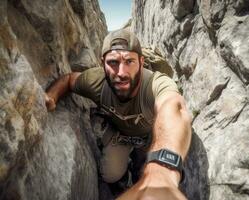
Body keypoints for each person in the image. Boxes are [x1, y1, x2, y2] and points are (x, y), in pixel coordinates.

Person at [45, 29, 191, 200]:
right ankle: (125, 180)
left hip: (151, 137)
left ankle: (141, 169)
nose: (121, 73)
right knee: (110, 175)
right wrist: (52, 96)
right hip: (121, 135)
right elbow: (69, 80)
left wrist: (162, 169)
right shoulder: (97, 82)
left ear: (141, 62)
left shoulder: (155, 84)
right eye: (113, 62)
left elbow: (174, 107)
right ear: (102, 64)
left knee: (144, 166)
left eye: (129, 61)